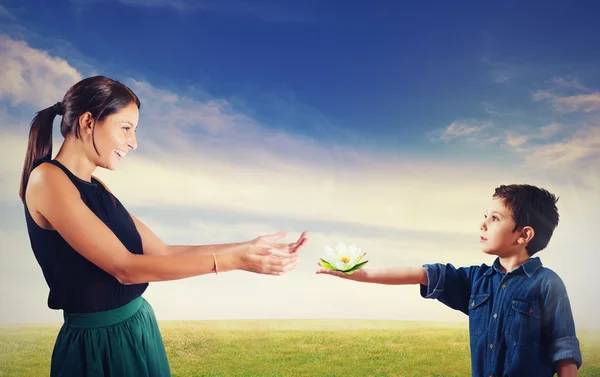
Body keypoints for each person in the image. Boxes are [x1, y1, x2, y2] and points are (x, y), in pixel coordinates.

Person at [19, 75, 308, 377]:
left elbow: (162, 251)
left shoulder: (97, 187)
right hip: (97, 345)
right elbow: (125, 268)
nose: (133, 142)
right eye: (126, 128)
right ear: (88, 122)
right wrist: (231, 262)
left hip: (137, 326)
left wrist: (247, 247)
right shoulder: (48, 180)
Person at [317, 184, 582, 377]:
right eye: (485, 216)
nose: (483, 224)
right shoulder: (475, 280)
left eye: (495, 218)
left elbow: (565, 350)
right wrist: (363, 275)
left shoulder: (548, 284)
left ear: (523, 235)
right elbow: (422, 273)